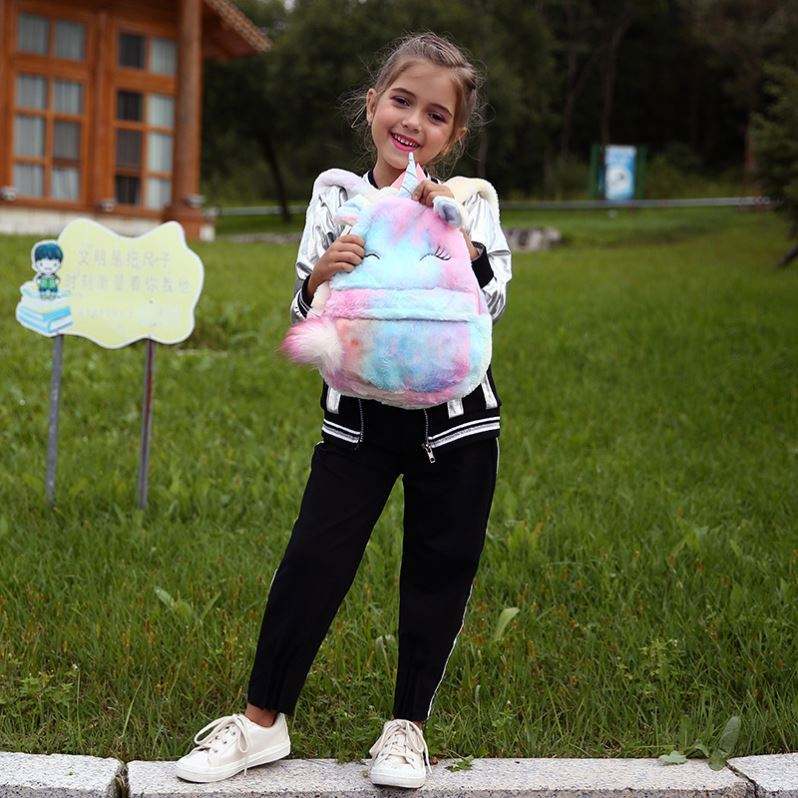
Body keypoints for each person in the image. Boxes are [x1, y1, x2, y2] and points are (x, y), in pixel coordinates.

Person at [175, 31, 512, 786]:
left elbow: (490, 304)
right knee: (314, 559)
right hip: (357, 419)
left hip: (458, 421)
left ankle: (406, 728)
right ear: (372, 104)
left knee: (439, 566)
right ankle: (262, 721)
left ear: (454, 134)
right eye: (401, 101)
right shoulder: (336, 197)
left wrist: (457, 237)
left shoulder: (471, 202)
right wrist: (319, 277)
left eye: (435, 114)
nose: (413, 122)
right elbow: (305, 308)